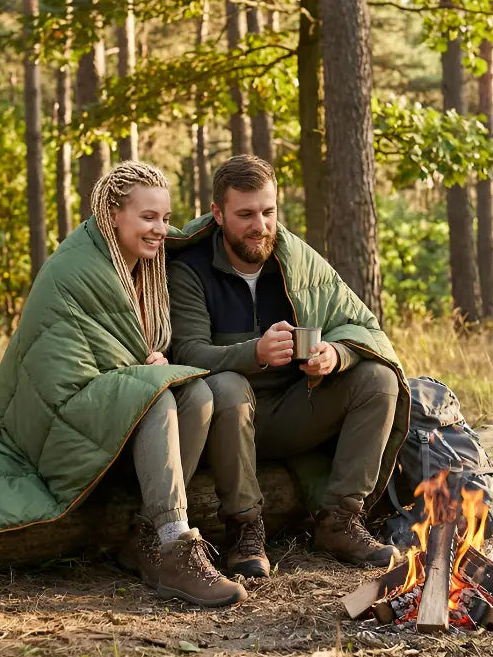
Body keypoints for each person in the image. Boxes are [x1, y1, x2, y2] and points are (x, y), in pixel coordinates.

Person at [0, 162, 246, 608]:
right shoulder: (75, 268)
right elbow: (61, 371)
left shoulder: (145, 267)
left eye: (165, 218)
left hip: (106, 409)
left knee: (197, 394)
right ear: (112, 213)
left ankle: (147, 536)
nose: (160, 229)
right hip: (59, 419)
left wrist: (154, 361)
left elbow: (130, 344)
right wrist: (141, 370)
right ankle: (176, 546)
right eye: (148, 217)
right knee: (156, 395)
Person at [167, 155, 410, 575]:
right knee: (227, 386)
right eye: (245, 214)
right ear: (218, 214)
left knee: (378, 378)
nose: (260, 225)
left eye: (268, 211)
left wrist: (336, 355)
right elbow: (188, 354)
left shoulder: (297, 260)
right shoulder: (190, 270)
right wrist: (255, 353)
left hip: (294, 411)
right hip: (222, 424)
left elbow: (363, 327)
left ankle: (340, 521)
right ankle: (244, 529)